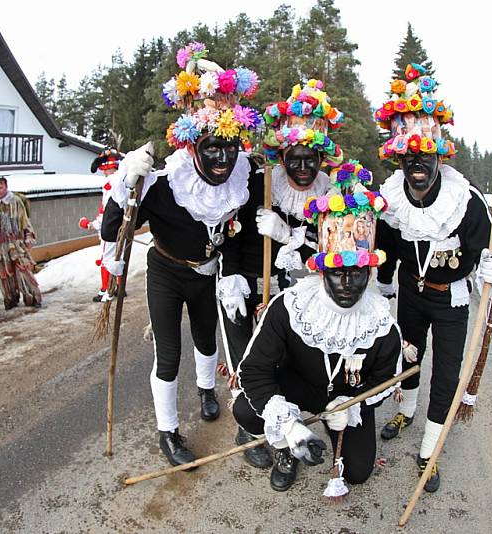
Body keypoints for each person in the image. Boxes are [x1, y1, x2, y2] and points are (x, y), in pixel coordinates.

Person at [101, 43, 262, 467]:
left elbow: (247, 233)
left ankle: (207, 389)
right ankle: (167, 432)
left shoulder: (242, 181)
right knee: (169, 354)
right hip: (167, 272)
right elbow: (110, 229)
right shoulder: (164, 182)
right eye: (212, 147)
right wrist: (126, 182)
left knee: (208, 339)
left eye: (230, 147)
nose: (223, 158)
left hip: (210, 274)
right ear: (193, 146)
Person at [374, 63, 492, 492]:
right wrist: (382, 286)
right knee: (410, 357)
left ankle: (430, 449)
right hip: (412, 296)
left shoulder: (465, 201)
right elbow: (387, 245)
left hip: (450, 299)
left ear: (439, 157)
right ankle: (407, 409)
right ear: (399, 158)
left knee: (447, 374)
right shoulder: (393, 196)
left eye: (425, 157)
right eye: (408, 157)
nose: (417, 166)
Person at [233, 168, 402, 492]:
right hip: (296, 388)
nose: (348, 284)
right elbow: (253, 371)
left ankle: (333, 424)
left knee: (357, 472)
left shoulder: (381, 324)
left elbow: (385, 380)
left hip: (345, 398)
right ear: (322, 270)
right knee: (246, 409)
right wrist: (291, 428)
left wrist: (354, 406)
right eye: (338, 272)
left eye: (357, 272)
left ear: (369, 272)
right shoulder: (290, 306)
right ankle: (285, 450)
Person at [216, 80, 345, 402]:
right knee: (243, 356)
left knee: (279, 357)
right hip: (244, 283)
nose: (303, 168)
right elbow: (231, 232)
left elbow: (329, 254)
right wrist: (230, 273)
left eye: (311, 159)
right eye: (295, 159)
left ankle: (278, 415)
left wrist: (288, 236)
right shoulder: (261, 183)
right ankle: (246, 421)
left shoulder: (331, 195)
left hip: (293, 288)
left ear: (322, 157)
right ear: (282, 156)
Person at [0, 177, 42, 309]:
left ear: (6, 187)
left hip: (15, 242)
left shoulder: (15, 201)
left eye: (1, 187)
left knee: (23, 269)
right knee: (4, 274)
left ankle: (32, 298)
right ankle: (10, 299)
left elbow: (24, 220)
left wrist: (28, 236)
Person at [81, 148, 122, 302]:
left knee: (107, 258)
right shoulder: (120, 181)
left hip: (110, 228)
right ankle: (119, 286)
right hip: (119, 227)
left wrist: (92, 225)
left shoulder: (110, 184)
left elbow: (108, 212)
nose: (104, 173)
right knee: (118, 257)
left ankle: (105, 289)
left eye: (105, 170)